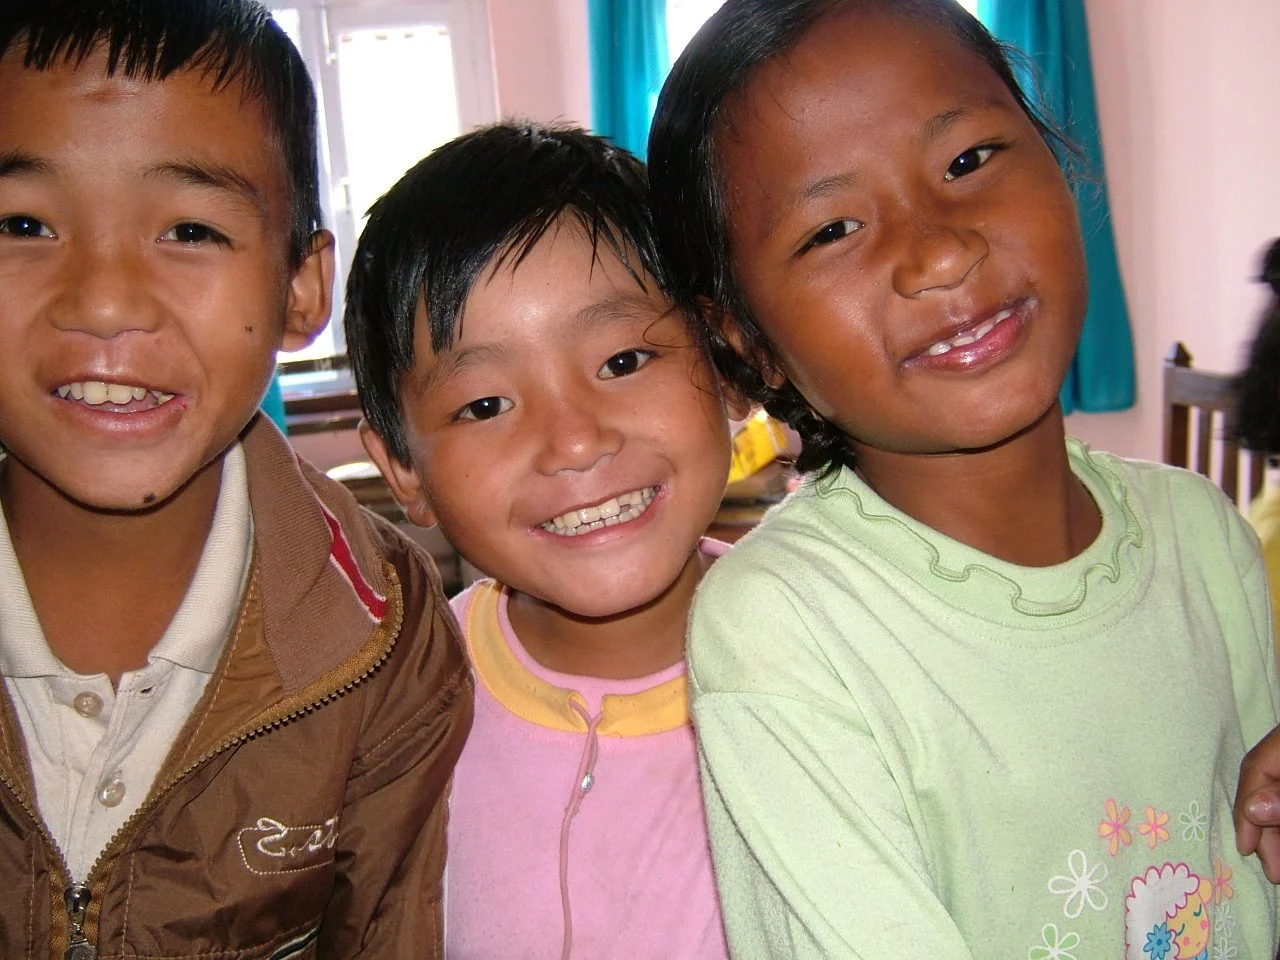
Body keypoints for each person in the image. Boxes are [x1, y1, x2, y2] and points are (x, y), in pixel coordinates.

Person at [645, 1, 1280, 957]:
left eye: (968, 161)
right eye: (833, 229)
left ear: (1059, 160)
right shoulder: (790, 627)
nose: (941, 252)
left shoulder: (1204, 534)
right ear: (748, 341)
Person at [0, 1, 472, 955]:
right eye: (23, 223)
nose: (103, 301)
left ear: (300, 286)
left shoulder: (389, 635)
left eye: (189, 230)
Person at [347, 122, 740, 959]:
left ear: (723, 363)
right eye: (485, 405)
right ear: (403, 470)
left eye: (623, 361)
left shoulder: (838, 656)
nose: (575, 441)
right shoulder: (395, 711)